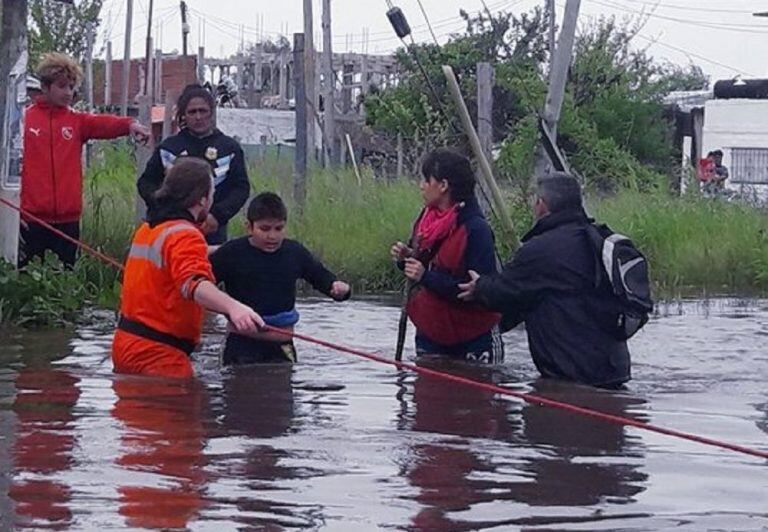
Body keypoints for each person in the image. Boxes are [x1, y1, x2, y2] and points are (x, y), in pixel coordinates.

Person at [458, 172, 632, 388]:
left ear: (541, 205)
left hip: (571, 374)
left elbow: (503, 292)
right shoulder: (599, 239)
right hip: (615, 368)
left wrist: (480, 286)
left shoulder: (541, 250)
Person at [112, 157, 264, 379]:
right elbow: (193, 284)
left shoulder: (149, 228)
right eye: (212, 194)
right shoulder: (186, 234)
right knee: (181, 412)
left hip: (126, 345)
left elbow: (172, 258)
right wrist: (234, 307)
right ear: (202, 199)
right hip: (159, 354)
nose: (212, 199)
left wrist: (227, 251)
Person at [20, 52, 151, 267]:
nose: (68, 93)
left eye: (71, 87)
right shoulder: (24, 120)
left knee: (65, 282)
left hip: (68, 220)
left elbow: (103, 123)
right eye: (62, 86)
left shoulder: (76, 121)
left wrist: (130, 125)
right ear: (45, 87)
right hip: (30, 219)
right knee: (29, 283)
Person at [209, 192, 351, 365]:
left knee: (283, 388)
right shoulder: (232, 253)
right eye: (265, 229)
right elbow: (202, 286)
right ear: (249, 227)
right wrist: (226, 309)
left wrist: (339, 289)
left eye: (279, 228)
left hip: (282, 344)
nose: (272, 236)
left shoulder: (294, 252)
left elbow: (322, 278)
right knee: (238, 388)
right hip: (241, 343)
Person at [390, 148, 503, 364]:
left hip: (473, 336)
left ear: (443, 186)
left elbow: (478, 291)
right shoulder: (426, 219)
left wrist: (425, 276)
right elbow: (423, 266)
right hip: (431, 332)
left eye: (426, 179)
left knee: (478, 394)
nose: (421, 186)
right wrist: (406, 259)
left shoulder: (476, 229)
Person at [138, 84, 250, 245]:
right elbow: (146, 183)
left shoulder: (229, 148)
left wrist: (218, 216)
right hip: (170, 229)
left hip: (211, 230)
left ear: (211, 112)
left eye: (202, 111)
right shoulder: (168, 148)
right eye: (192, 112)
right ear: (183, 115)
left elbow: (241, 188)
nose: (198, 117)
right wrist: (163, 209)